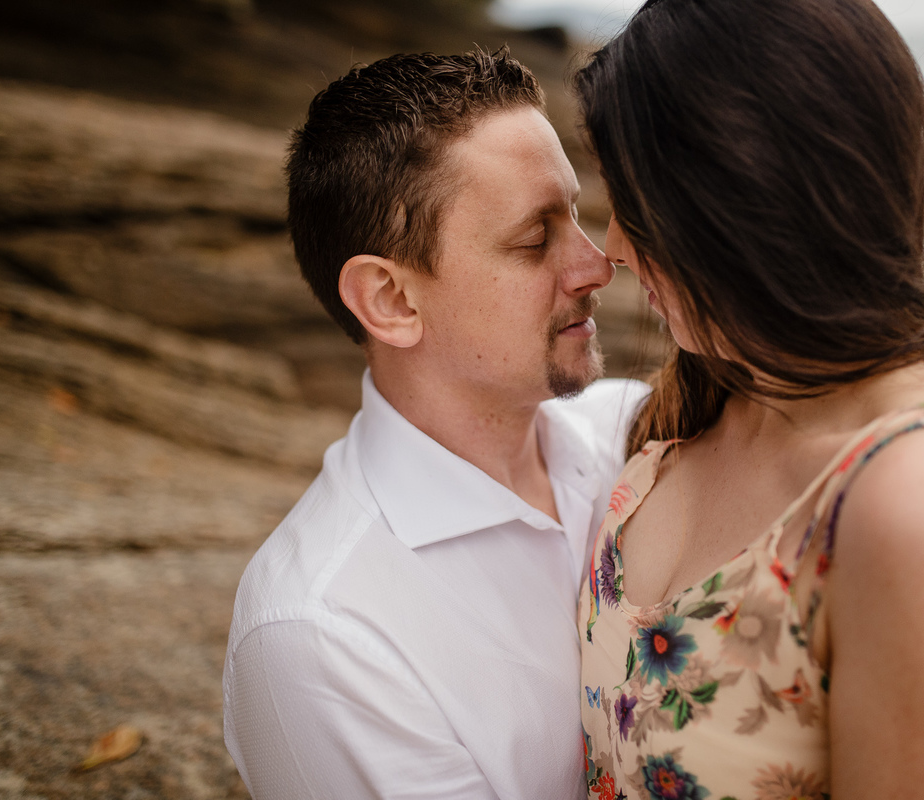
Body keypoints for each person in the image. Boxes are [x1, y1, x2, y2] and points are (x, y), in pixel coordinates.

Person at [573, 1, 924, 798]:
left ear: (743, 193)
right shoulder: (702, 400)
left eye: (635, 205)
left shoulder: (919, 500)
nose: (612, 247)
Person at [223, 49, 647, 800]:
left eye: (576, 214)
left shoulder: (632, 431)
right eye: (534, 238)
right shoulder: (323, 634)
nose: (596, 265)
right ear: (390, 300)